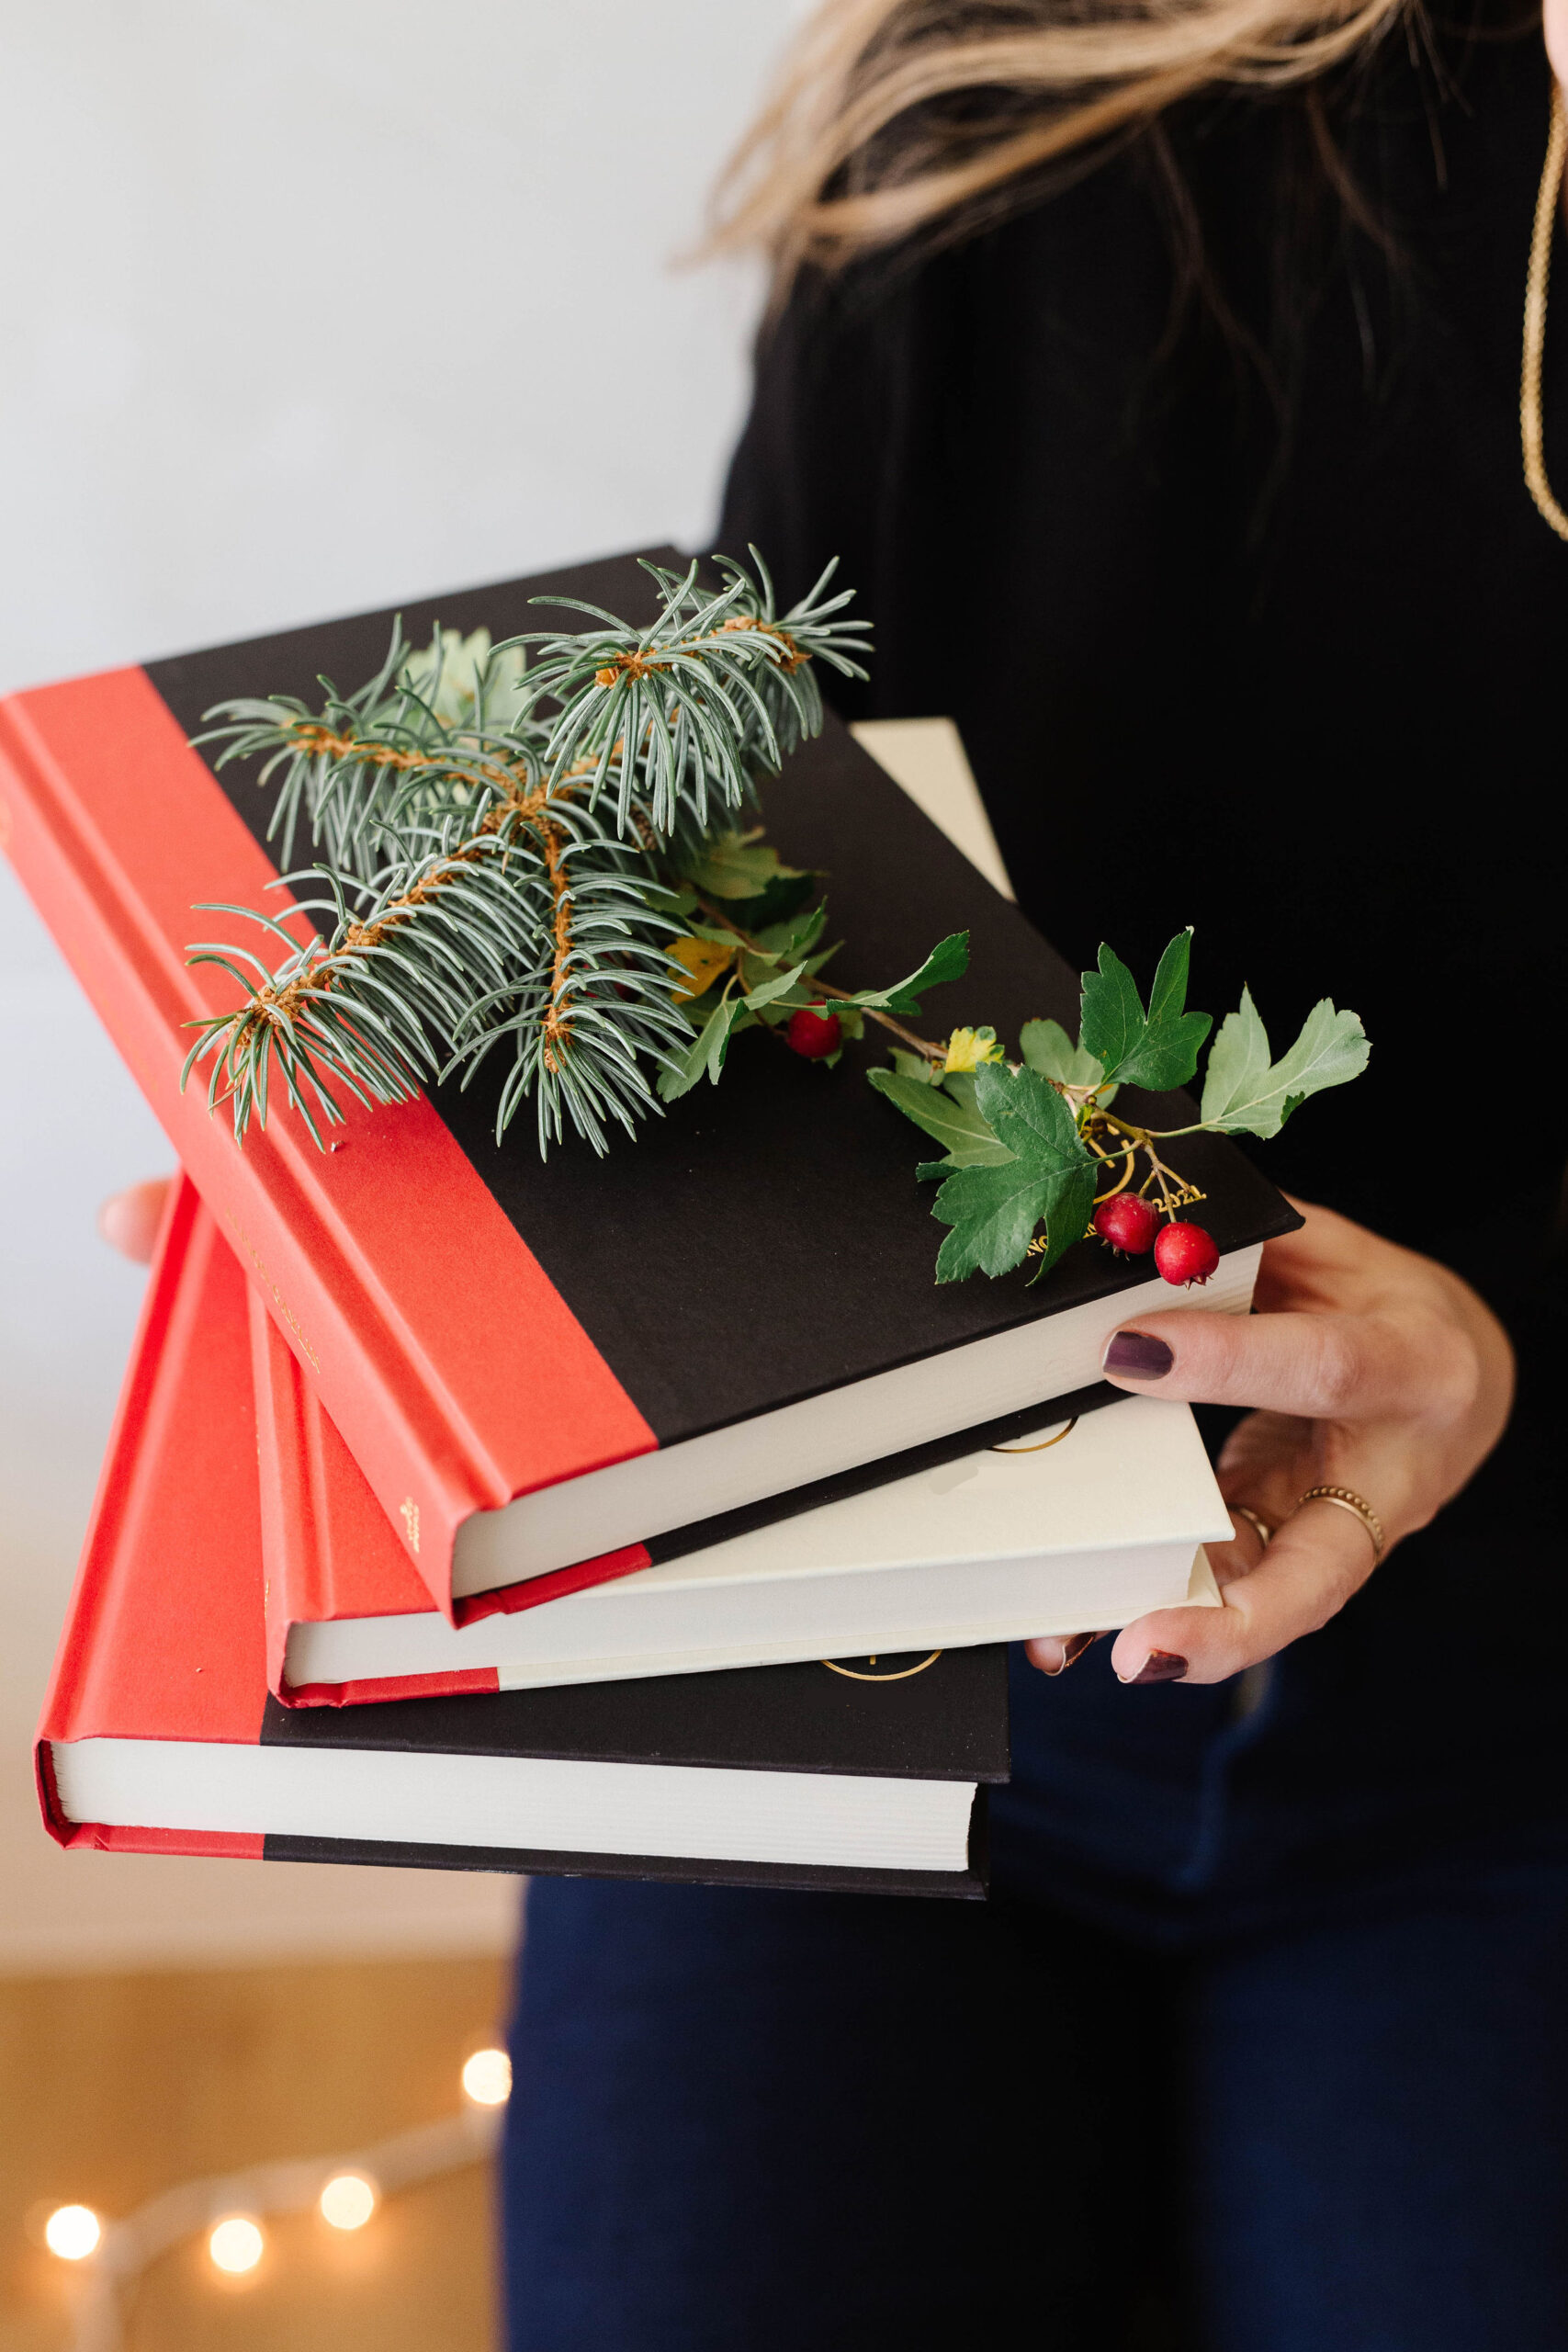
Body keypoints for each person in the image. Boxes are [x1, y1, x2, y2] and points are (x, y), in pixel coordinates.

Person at [102, 0, 1564, 2335]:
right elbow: (767, 813)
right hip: (830, 1655)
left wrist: (1501, 1346)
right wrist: (429, 1164)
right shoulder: (1018, 102)